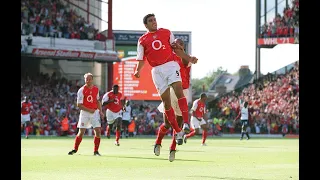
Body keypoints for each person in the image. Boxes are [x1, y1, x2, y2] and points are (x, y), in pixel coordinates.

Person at [134, 13, 198, 144]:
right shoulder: (142, 40)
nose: (154, 22)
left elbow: (177, 51)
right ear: (145, 25)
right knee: (166, 104)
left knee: (180, 92)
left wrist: (189, 58)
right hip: (157, 71)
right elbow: (141, 59)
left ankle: (185, 124)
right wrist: (137, 71)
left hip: (170, 66)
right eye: (151, 21)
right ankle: (176, 132)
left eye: (155, 19)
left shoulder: (167, 32)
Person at [155, 38, 192, 161]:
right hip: (172, 91)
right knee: (167, 123)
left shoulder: (186, 58)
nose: (178, 45)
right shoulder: (169, 58)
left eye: (181, 44)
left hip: (183, 92)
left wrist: (181, 52)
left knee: (179, 124)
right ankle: (158, 142)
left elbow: (187, 61)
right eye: (177, 43)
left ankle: (172, 149)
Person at [68, 73, 104, 156]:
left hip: (94, 112)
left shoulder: (96, 89)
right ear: (85, 80)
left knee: (98, 131)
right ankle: (75, 149)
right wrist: (89, 110)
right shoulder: (81, 90)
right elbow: (79, 104)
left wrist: (101, 111)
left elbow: (98, 101)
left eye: (89, 79)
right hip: (85, 113)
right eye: (86, 79)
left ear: (92, 80)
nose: (88, 81)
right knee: (81, 132)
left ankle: (96, 151)